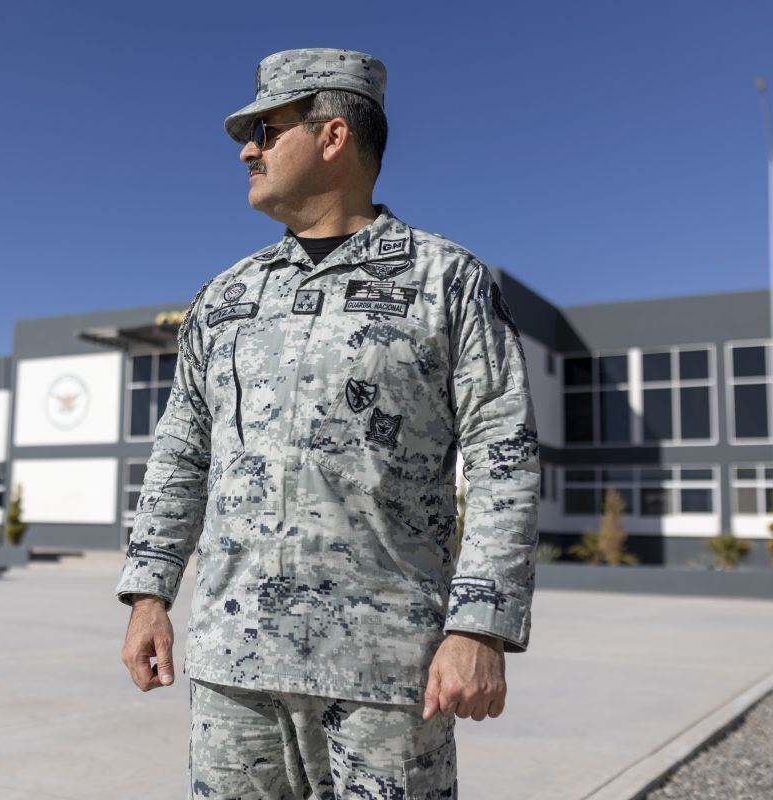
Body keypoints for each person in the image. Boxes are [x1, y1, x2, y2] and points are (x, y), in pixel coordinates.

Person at [116, 47, 539, 799]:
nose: (248, 149)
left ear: (334, 135)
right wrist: (149, 595)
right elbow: (182, 454)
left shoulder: (445, 281)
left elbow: (503, 456)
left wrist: (479, 628)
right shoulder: (225, 297)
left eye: (267, 129)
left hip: (386, 670)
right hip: (232, 668)